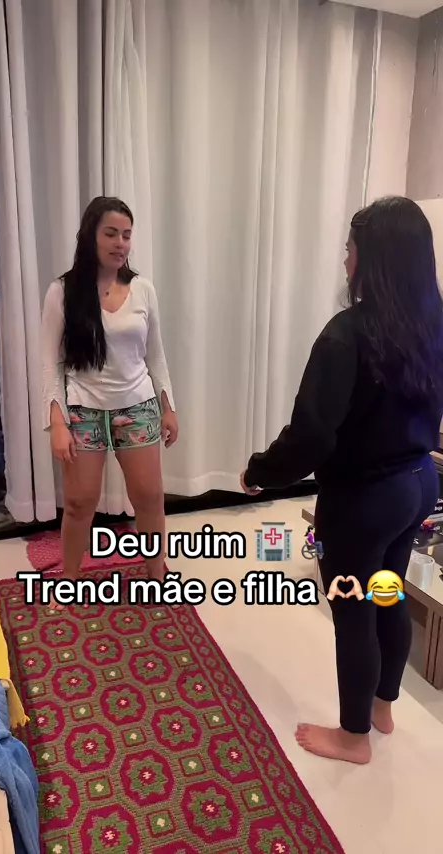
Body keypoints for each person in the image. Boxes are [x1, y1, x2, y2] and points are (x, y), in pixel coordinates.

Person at [241, 197, 443, 765]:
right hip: (418, 483)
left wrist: (259, 472)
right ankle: (381, 707)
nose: (344, 261)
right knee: (388, 592)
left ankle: (354, 738)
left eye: (350, 249)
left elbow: (311, 435)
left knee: (354, 612)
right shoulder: (432, 324)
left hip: (364, 502)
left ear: (371, 259)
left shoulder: (346, 335)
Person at [42, 196, 178, 609]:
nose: (121, 243)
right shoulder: (62, 291)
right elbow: (51, 363)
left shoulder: (143, 289)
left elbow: (156, 355)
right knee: (79, 503)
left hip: (137, 407)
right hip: (83, 411)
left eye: (127, 235)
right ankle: (68, 578)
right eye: (111, 234)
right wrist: (57, 423)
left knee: (149, 498)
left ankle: (157, 574)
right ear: (91, 236)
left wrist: (168, 407)